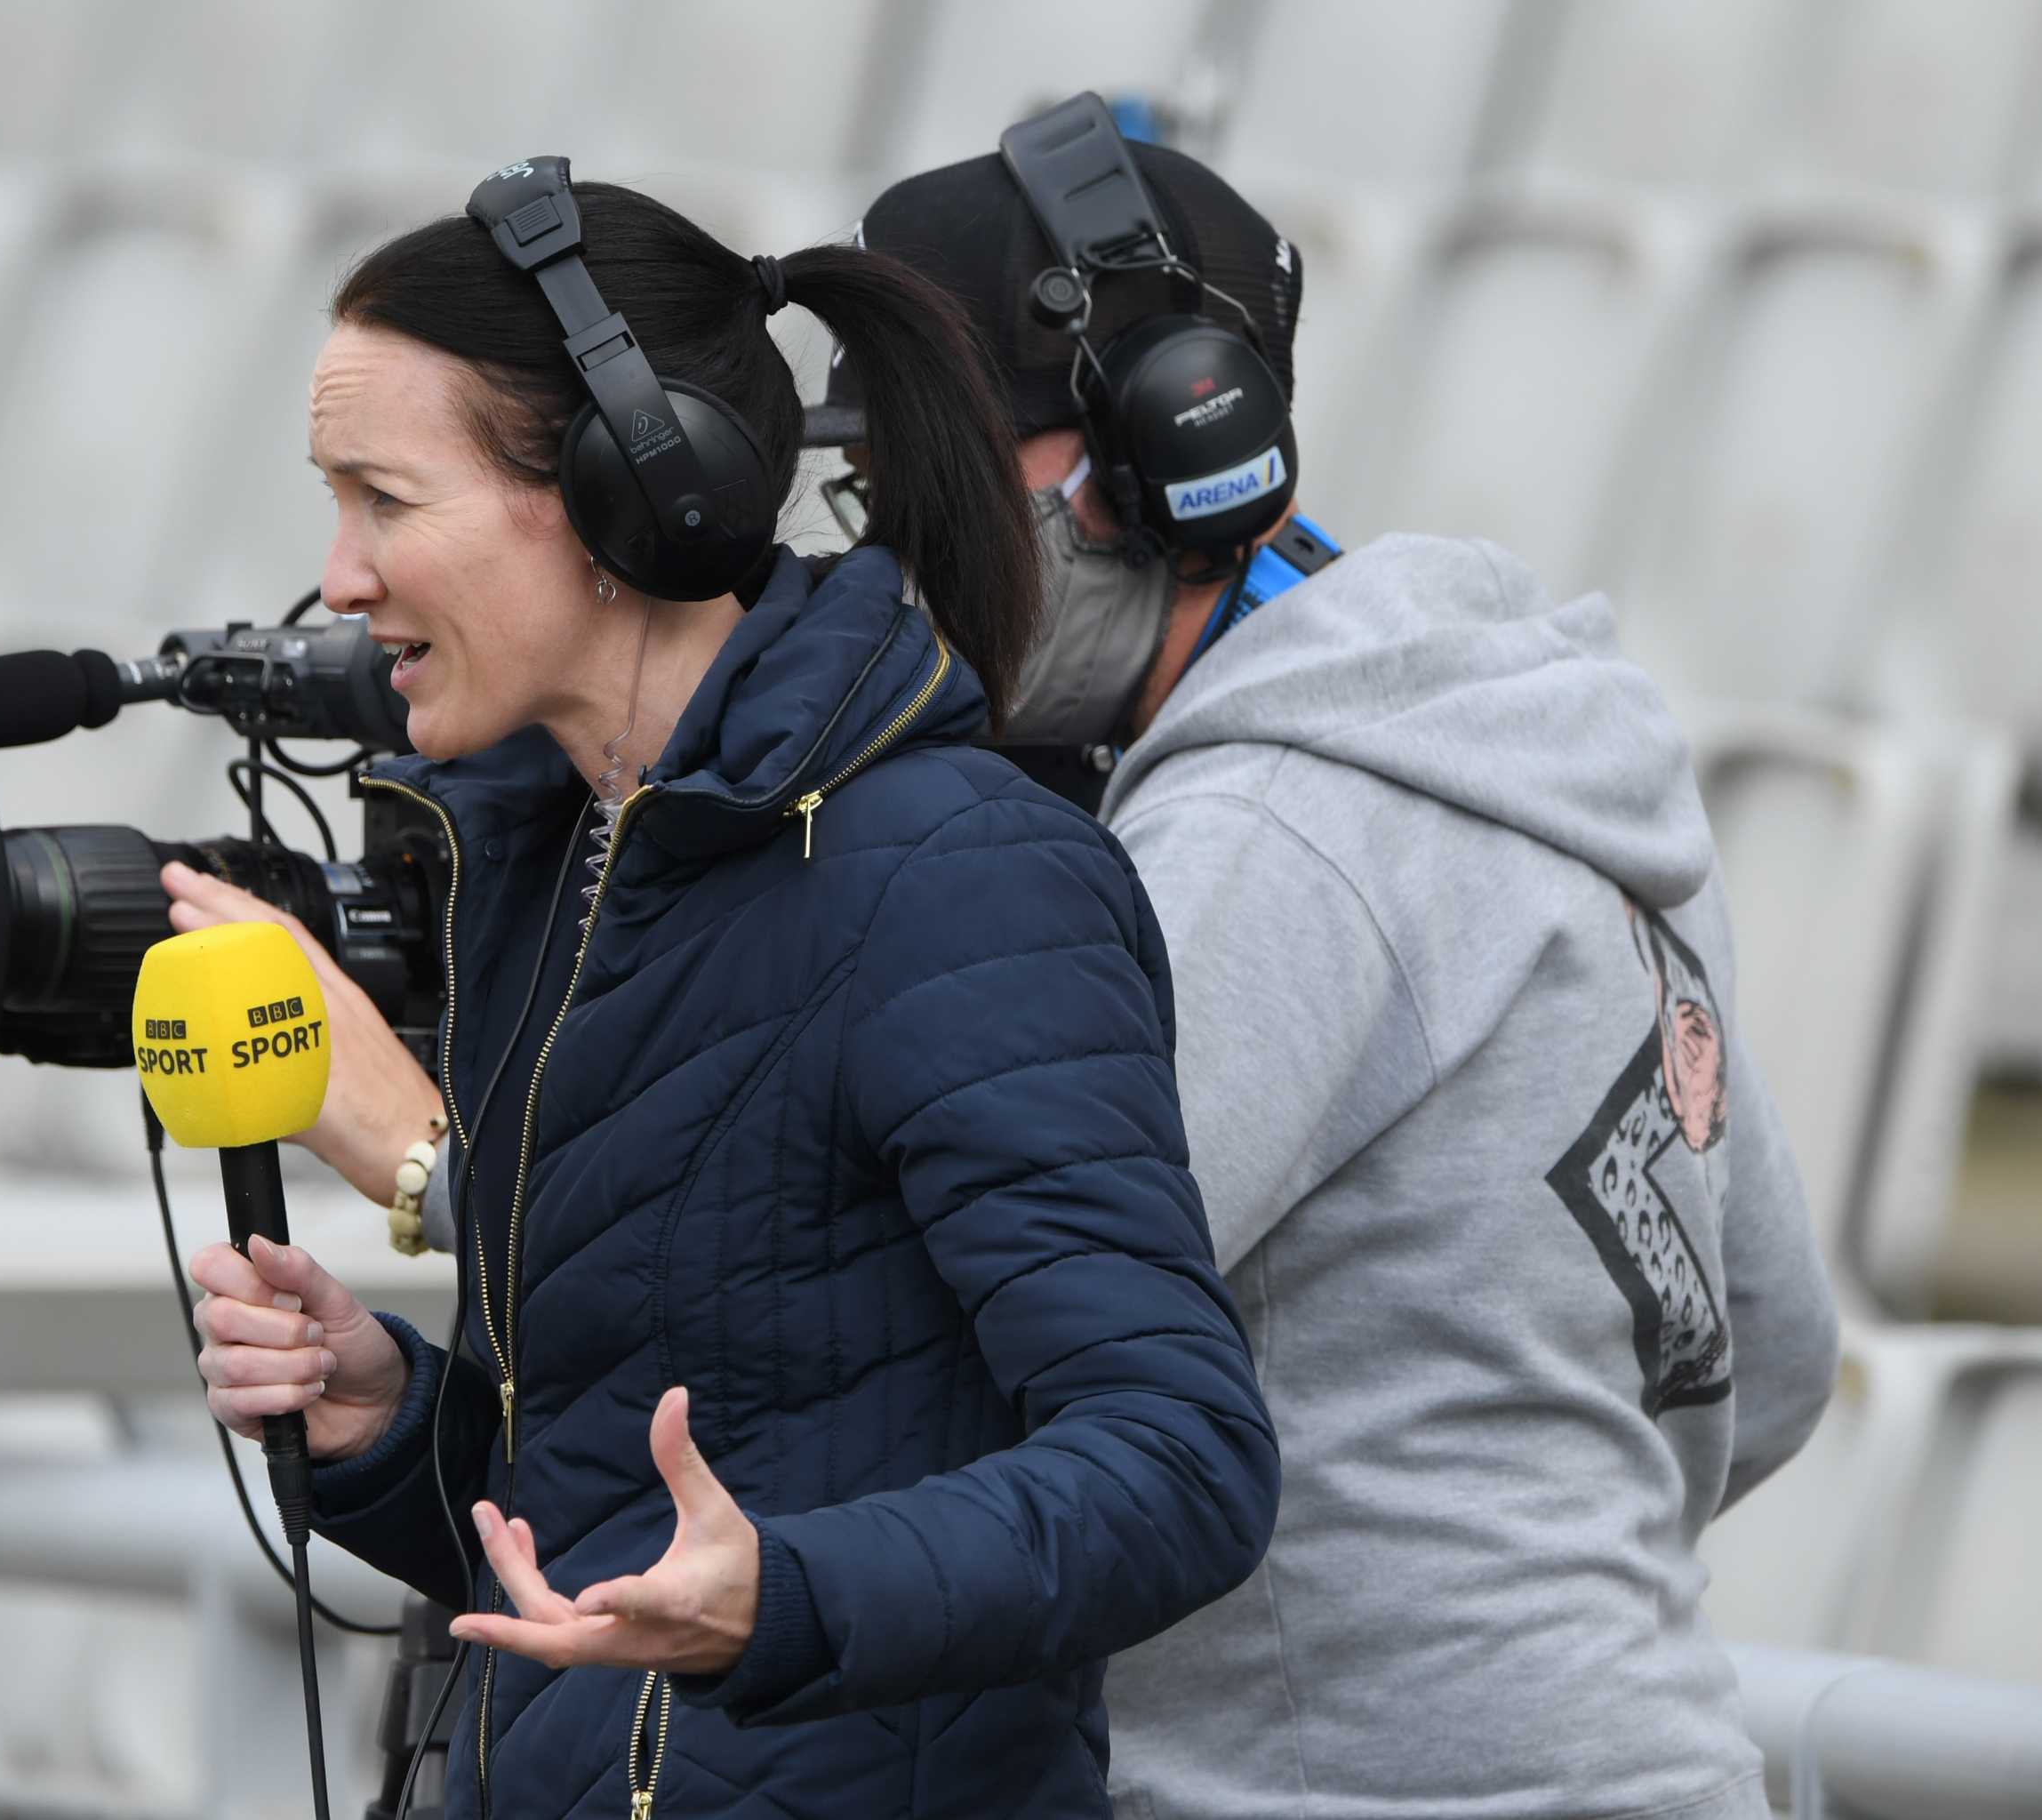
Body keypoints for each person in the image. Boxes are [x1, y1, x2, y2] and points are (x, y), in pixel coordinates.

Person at [161, 155, 1277, 1820]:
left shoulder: (954, 875)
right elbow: (624, 1519)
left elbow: (1183, 1463)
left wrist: (792, 1598)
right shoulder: (546, 868)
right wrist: (395, 1426)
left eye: (385, 501)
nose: (339, 577)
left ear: (634, 491)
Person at [809, 107, 1842, 1820]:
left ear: (1163, 442)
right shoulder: (1546, 750)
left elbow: (901, 1343)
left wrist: (418, 1160)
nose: (889, 556)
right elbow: (1770, 1347)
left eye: (933, 483)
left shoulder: (1269, 837)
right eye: (871, 490)